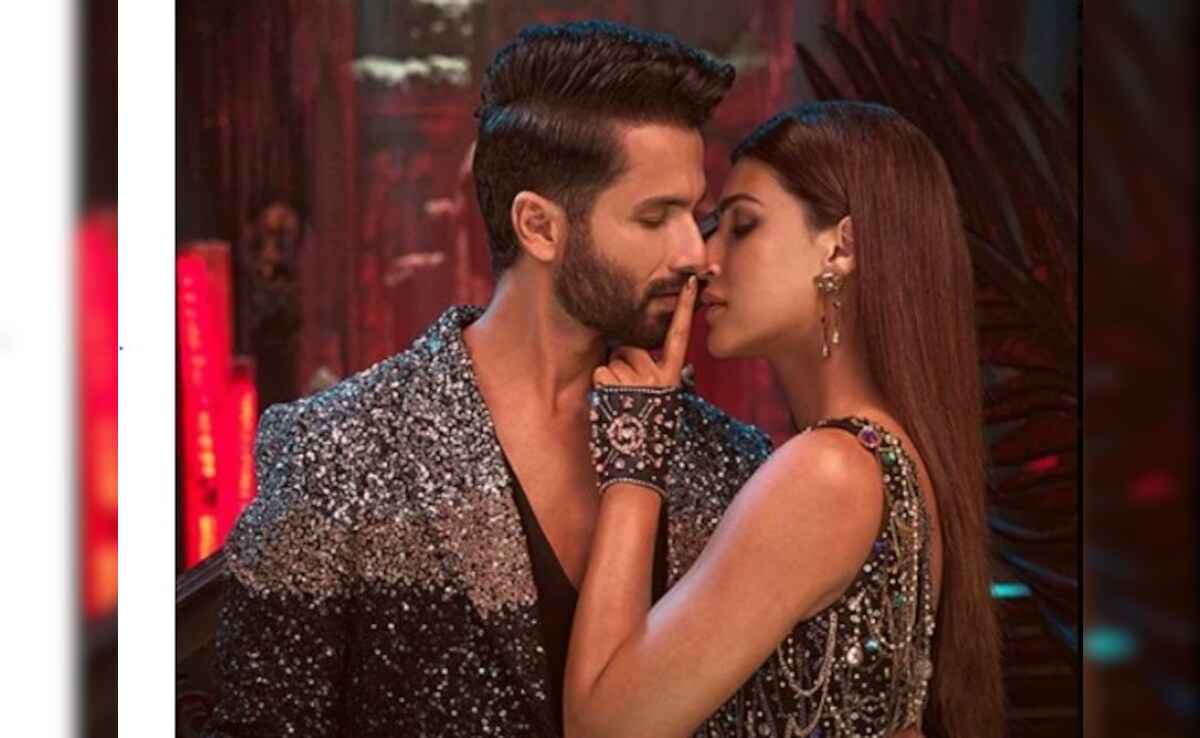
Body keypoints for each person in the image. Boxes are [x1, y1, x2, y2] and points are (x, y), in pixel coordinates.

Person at [206, 21, 772, 737]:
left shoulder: (732, 465)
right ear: (539, 227)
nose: (695, 252)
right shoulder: (337, 451)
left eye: (694, 212)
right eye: (655, 217)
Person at [564, 102, 1004, 738]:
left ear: (842, 246)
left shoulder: (828, 474)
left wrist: (636, 451)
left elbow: (604, 728)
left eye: (742, 226)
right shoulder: (886, 458)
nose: (704, 259)